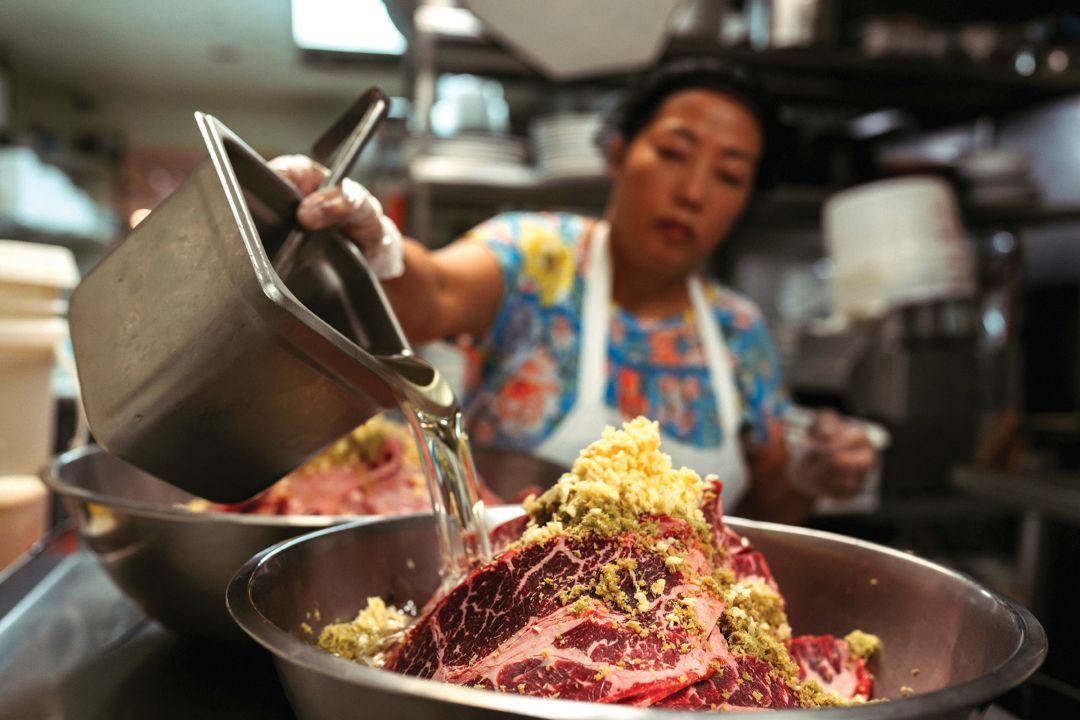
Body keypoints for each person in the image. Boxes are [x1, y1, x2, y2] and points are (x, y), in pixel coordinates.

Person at [269, 58, 876, 524]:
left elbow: (771, 512)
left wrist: (814, 475)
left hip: (682, 645)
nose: (693, 192)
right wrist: (373, 242)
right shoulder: (540, 257)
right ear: (618, 153)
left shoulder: (740, 331)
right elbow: (430, 297)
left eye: (729, 176)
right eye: (672, 153)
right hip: (511, 628)